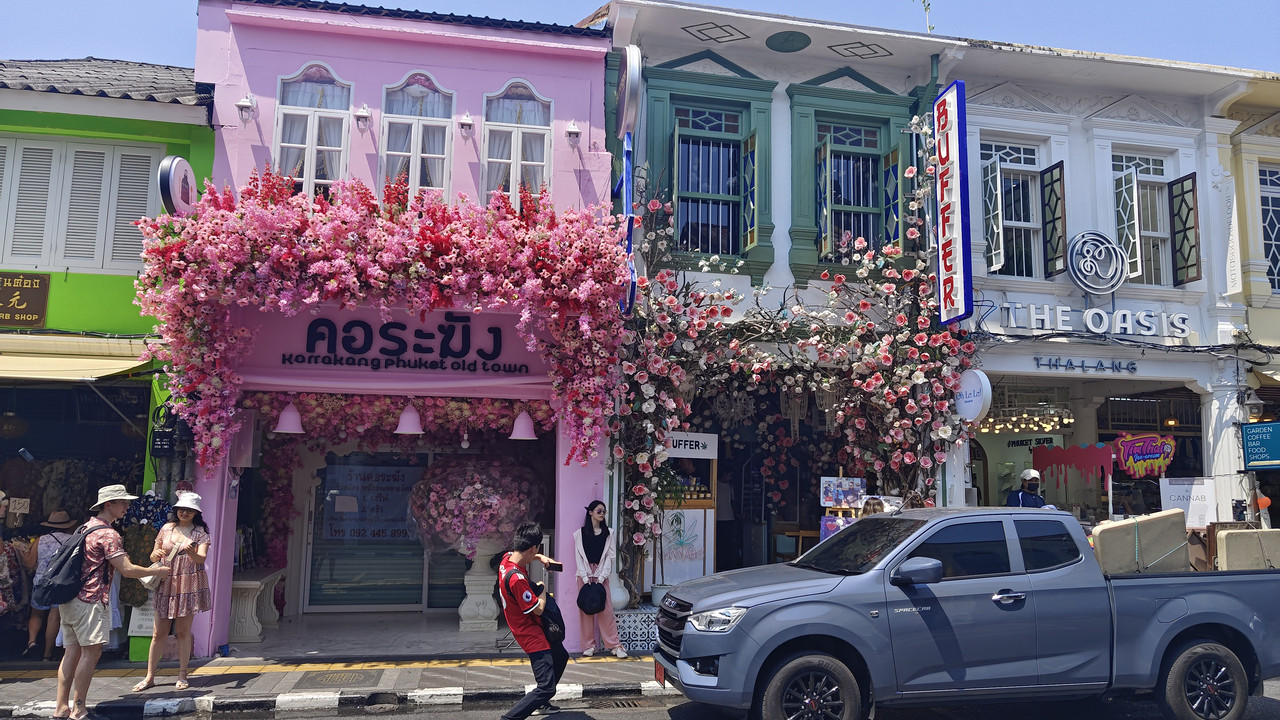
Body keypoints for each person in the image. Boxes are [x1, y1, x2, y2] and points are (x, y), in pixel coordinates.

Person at [55, 485, 169, 720]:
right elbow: (127, 570)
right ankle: (79, 709)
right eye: (122, 502)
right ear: (108, 505)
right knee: (91, 653)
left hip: (70, 600)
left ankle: (61, 708)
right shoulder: (108, 534)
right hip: (90, 600)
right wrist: (155, 571)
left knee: (71, 653)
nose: (126, 507)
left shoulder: (84, 527)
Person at [133, 492, 212, 692]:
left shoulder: (201, 533)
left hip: (188, 584)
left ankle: (183, 674)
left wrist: (192, 552)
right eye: (181, 509)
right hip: (166, 582)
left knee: (183, 632)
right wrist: (156, 554)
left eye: (189, 510)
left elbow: (201, 559)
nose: (184, 513)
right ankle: (150, 676)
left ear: (196, 513)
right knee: (158, 633)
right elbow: (153, 556)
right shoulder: (166, 528)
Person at [499, 522, 568, 720]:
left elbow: (525, 555)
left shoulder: (506, 561)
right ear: (532, 547)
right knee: (546, 687)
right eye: (536, 550)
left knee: (560, 656)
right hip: (530, 633)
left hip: (533, 627)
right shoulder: (517, 579)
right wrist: (543, 589)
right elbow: (538, 609)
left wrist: (541, 558)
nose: (536, 554)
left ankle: (542, 703)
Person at [572, 501, 626, 659]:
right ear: (590, 512)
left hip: (602, 574)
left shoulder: (609, 533)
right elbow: (578, 556)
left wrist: (602, 577)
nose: (602, 514)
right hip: (584, 575)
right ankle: (589, 646)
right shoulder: (579, 534)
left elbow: (611, 556)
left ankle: (614, 645)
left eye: (604, 511)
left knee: (606, 611)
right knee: (586, 611)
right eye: (599, 511)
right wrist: (584, 577)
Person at [23, 511, 78, 661]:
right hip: (60, 582)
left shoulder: (40, 540)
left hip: (41, 582)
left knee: (36, 613)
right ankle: (47, 653)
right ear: (68, 525)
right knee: (54, 616)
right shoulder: (72, 540)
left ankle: (32, 641)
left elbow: (29, 564)